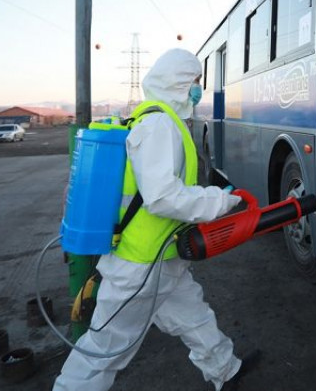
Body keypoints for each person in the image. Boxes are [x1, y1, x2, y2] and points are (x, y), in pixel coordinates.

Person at [53, 49, 259, 391]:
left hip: (164, 257)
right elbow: (163, 196)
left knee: (195, 318)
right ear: (179, 83)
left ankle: (226, 371)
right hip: (139, 266)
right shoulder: (158, 125)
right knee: (105, 349)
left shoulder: (164, 121)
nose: (198, 89)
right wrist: (220, 201)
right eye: (195, 82)